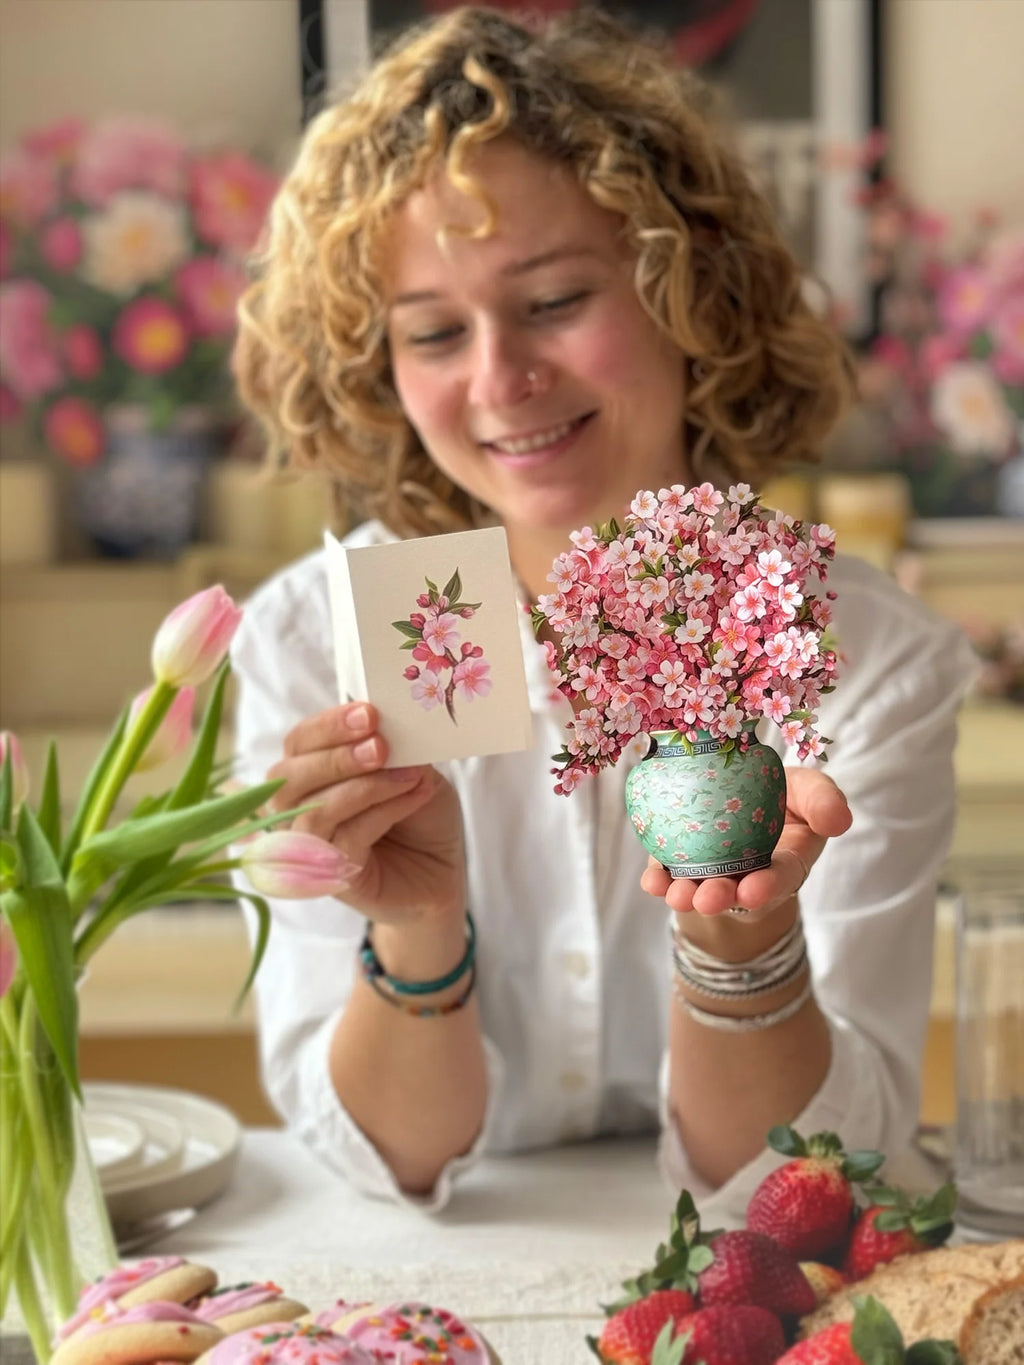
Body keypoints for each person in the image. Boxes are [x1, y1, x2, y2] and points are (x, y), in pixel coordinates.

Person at [230, 5, 976, 1221]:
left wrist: (742, 949)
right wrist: (417, 927)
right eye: (434, 332)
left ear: (690, 289)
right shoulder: (314, 645)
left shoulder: (858, 657)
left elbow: (807, 1180)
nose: (499, 379)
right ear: (378, 368)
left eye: (554, 300)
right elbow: (392, 1163)